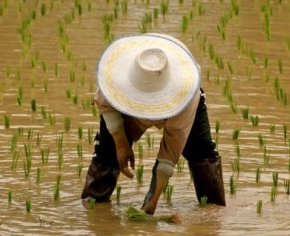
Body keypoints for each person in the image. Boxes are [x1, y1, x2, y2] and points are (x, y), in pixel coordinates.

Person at [81, 33, 226, 214]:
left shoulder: (186, 94)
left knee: (202, 153)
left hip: (178, 102)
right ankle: (93, 207)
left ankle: (213, 212)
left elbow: (170, 150)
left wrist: (153, 199)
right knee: (107, 153)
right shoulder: (115, 79)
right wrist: (121, 143)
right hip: (127, 107)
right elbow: (104, 104)